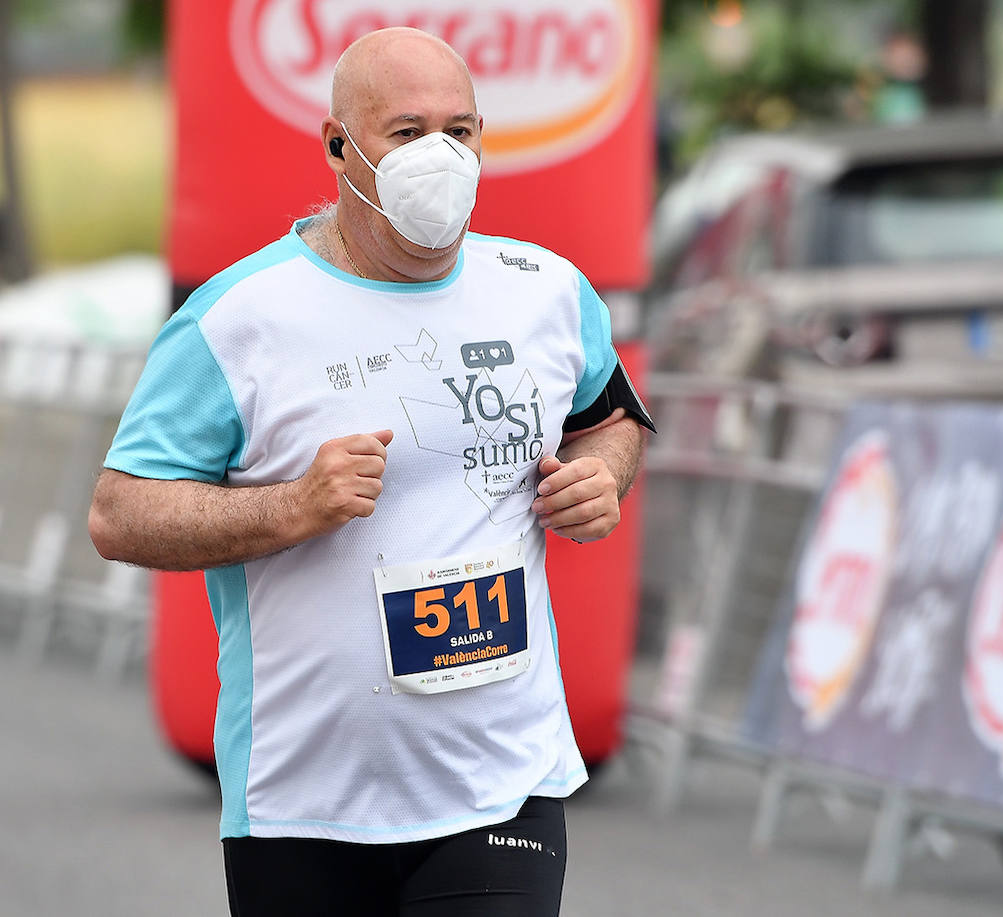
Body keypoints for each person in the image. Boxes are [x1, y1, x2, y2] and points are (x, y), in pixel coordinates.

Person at [89, 28, 654, 917]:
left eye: (460, 132)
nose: (440, 156)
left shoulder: (545, 291)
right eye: (407, 131)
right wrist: (292, 507)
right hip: (303, 799)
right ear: (339, 147)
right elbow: (120, 515)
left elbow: (611, 418)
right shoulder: (239, 320)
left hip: (501, 782)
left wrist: (603, 476)